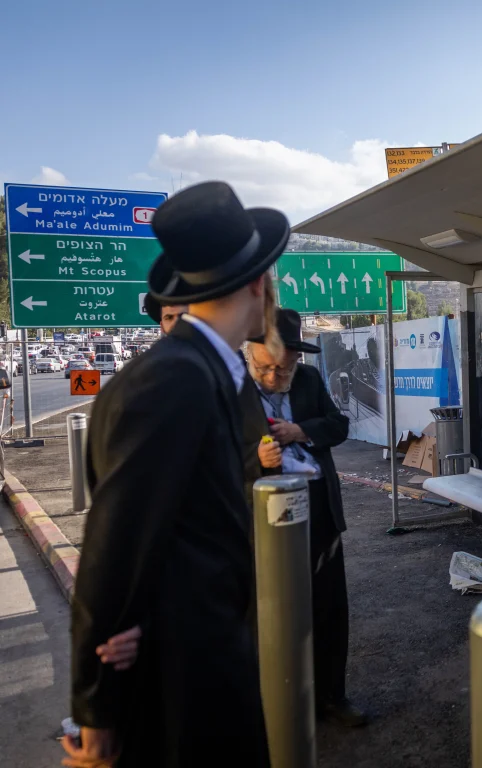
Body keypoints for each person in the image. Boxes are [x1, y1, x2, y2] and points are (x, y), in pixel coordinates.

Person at [66, 181, 287, 768]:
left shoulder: (199, 370)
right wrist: (97, 711)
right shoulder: (173, 381)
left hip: (201, 661)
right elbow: (113, 548)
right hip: (178, 689)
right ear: (258, 283)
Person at [243, 308, 366, 727]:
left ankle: (332, 696)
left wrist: (302, 431)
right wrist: (256, 460)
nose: (276, 377)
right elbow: (211, 458)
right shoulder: (232, 392)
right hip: (264, 517)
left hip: (318, 508)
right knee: (270, 614)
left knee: (329, 608)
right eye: (268, 368)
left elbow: (339, 425)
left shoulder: (310, 380)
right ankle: (276, 704)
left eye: (285, 368)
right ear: (250, 354)